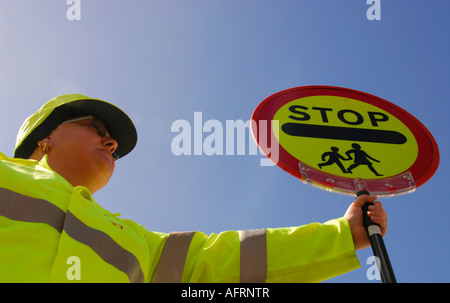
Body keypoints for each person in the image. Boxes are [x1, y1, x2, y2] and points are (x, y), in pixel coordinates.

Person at [0, 94, 387, 283]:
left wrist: (341, 235)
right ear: (44, 137)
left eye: (112, 141)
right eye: (96, 129)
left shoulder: (136, 240)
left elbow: (222, 258)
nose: (111, 143)